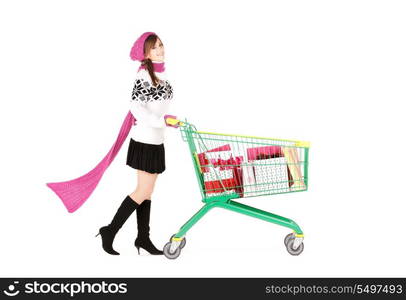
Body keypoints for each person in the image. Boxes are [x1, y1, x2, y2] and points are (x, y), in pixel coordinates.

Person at [96, 32, 181, 256]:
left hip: (156, 139)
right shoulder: (143, 75)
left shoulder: (162, 77)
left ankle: (143, 238)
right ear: (145, 53)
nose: (160, 50)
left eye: (161, 45)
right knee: (143, 190)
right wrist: (161, 121)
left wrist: (168, 120)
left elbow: (158, 108)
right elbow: (136, 108)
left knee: (148, 192)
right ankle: (110, 230)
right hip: (144, 140)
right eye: (154, 48)